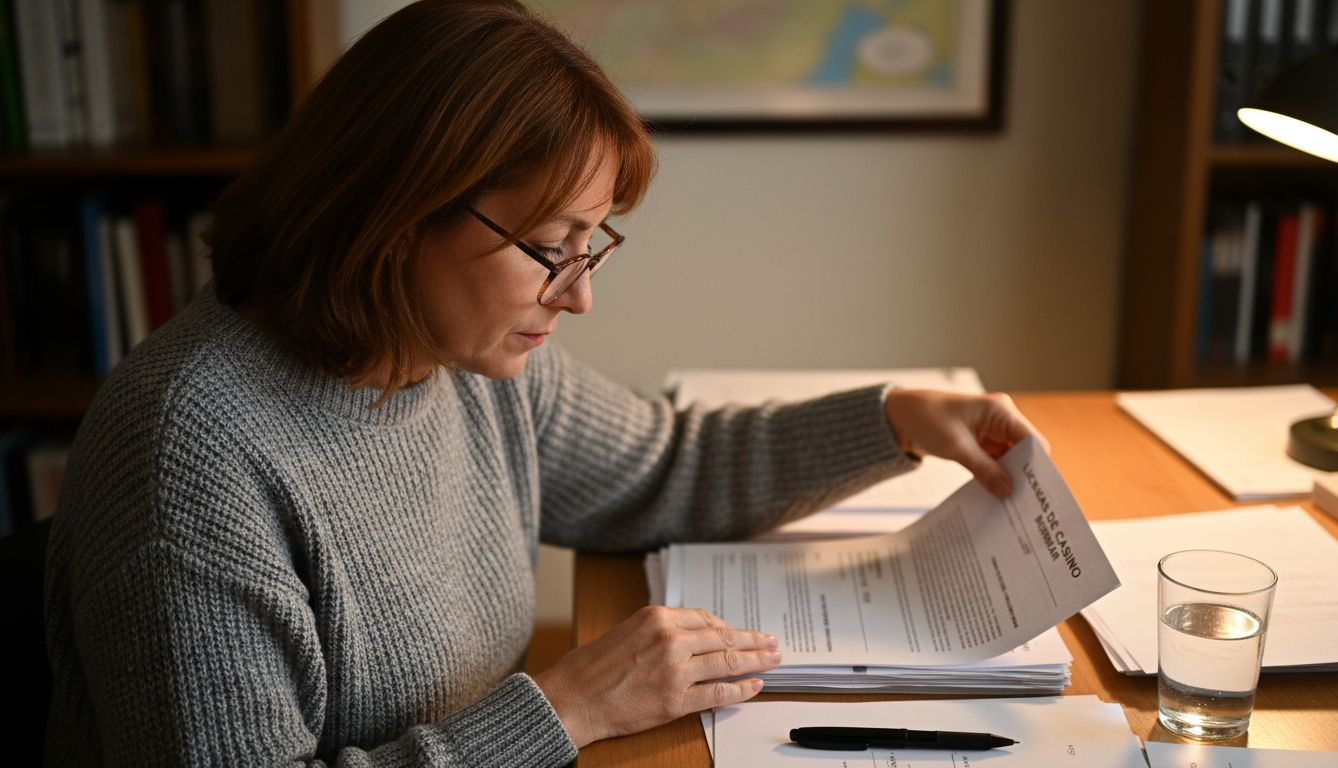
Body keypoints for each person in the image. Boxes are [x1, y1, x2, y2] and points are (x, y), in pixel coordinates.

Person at [43, 1, 1043, 765]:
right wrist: (564, 709)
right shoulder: (190, 454)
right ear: (396, 217)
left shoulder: (457, 355)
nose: (578, 297)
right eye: (550, 249)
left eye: (591, 245)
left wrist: (894, 419)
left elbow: (662, 465)